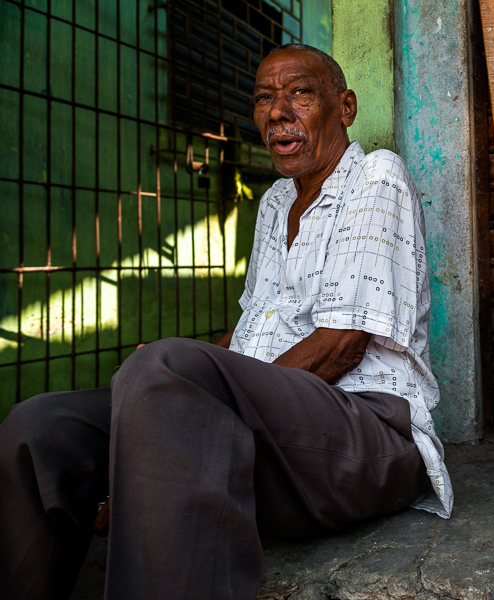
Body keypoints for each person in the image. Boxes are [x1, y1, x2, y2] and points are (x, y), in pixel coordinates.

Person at [0, 43, 452, 600]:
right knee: (39, 428)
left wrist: (170, 418)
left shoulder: (376, 176)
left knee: (165, 369)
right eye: (264, 97)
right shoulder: (274, 203)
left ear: (346, 106)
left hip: (368, 434)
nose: (277, 112)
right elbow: (246, 336)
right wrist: (154, 417)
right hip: (274, 431)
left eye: (300, 94)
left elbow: (343, 345)